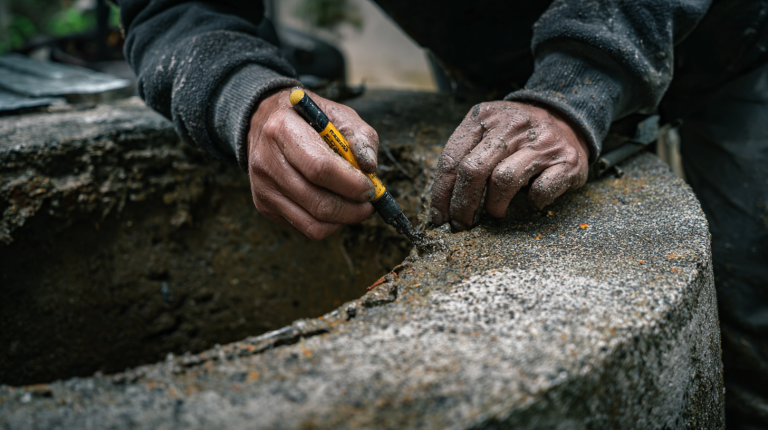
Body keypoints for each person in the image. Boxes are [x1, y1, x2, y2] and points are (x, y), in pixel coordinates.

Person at [116, 0, 767, 427]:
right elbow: (174, 10)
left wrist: (580, 82)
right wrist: (246, 98)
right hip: (498, 55)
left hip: (735, 42)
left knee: (749, 330)